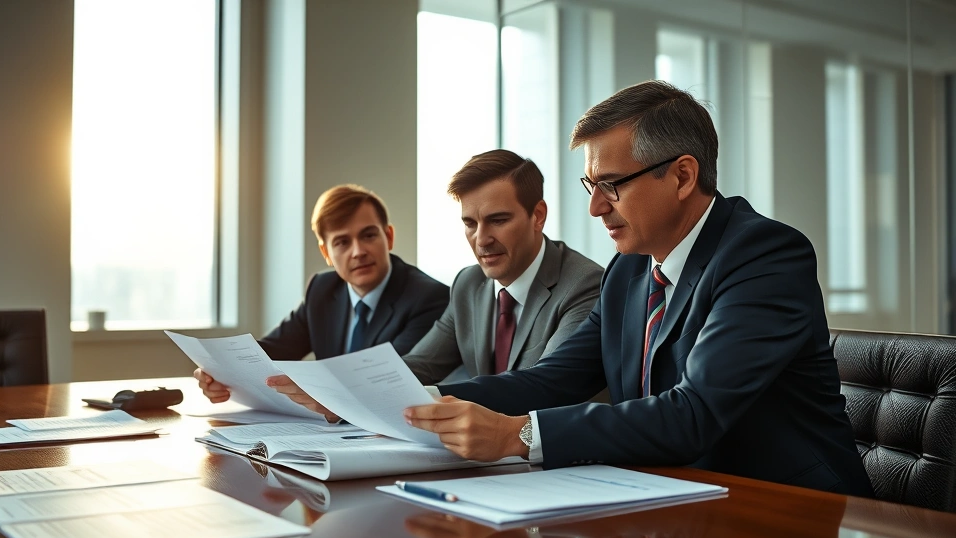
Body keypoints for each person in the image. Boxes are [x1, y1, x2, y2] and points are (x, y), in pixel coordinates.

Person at [402, 80, 875, 497]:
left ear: (683, 176)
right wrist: (416, 400)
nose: (595, 208)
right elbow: (553, 380)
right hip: (671, 502)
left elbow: (694, 413)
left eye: (611, 185)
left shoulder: (765, 255)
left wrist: (519, 435)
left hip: (788, 512)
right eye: (591, 185)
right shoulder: (628, 272)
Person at [270, 150, 603, 421]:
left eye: (498, 220)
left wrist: (420, 397)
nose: (482, 239)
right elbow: (419, 364)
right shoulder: (468, 284)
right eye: (470, 224)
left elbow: (544, 386)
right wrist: (339, 389)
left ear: (538, 216)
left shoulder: (583, 284)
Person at [197, 184, 449, 403]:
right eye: (342, 242)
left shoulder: (428, 297)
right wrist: (219, 370)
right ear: (326, 252)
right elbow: (271, 352)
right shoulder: (322, 289)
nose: (358, 251)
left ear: (389, 237)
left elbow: (390, 378)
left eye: (369, 235)